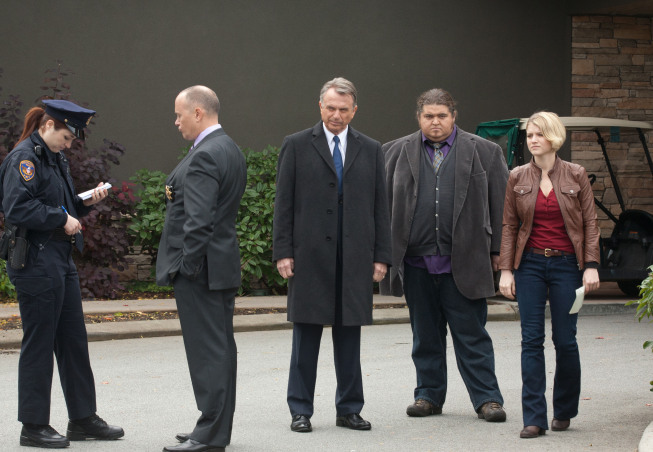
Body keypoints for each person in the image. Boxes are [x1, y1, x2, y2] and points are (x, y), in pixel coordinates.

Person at [0, 99, 123, 448]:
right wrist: (61, 218)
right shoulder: (24, 158)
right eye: (66, 137)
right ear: (48, 125)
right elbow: (17, 207)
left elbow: (62, 202)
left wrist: (85, 201)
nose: (69, 145)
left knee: (73, 341)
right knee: (39, 343)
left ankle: (83, 419)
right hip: (36, 260)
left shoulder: (54, 158)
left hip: (59, 257)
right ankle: (33, 425)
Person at [381, 88, 508, 422]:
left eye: (441, 116)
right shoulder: (392, 153)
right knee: (425, 336)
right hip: (415, 264)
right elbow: (379, 210)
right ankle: (428, 396)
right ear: (418, 117)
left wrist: (498, 253)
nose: (435, 122)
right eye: (428, 116)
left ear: (454, 116)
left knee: (472, 335)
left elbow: (501, 208)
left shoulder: (486, 153)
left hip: (464, 261)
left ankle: (487, 400)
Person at [273, 77, 391, 433]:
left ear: (354, 110)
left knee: (349, 338)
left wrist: (381, 256)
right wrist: (283, 252)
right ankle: (300, 410)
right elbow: (284, 205)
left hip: (355, 257)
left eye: (343, 109)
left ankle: (349, 409)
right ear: (319, 106)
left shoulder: (371, 149)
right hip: (308, 257)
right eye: (330, 108)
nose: (336, 115)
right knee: (305, 337)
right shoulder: (295, 145)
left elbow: (380, 207)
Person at [498, 111, 600, 439]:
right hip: (529, 266)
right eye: (529, 135)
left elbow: (590, 223)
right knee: (531, 340)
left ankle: (565, 409)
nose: (533, 140)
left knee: (565, 340)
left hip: (566, 267)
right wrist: (506, 270)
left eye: (539, 134)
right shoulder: (516, 177)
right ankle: (534, 418)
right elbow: (510, 226)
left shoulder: (576, 174)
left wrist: (591, 265)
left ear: (553, 137)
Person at [156, 86, 246, 452]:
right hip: (219, 265)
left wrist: (188, 268)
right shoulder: (229, 148)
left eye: (179, 114)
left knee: (209, 352)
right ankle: (214, 426)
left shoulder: (206, 154)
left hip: (202, 271)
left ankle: (209, 435)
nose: (175, 122)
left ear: (197, 112)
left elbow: (199, 221)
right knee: (221, 349)